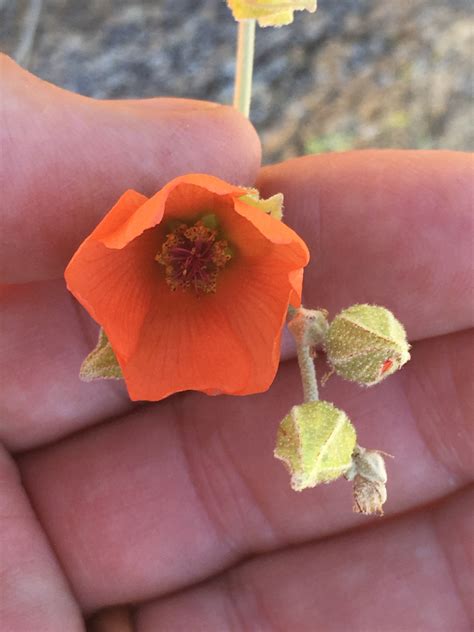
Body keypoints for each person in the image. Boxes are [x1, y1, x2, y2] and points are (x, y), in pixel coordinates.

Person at [1, 54, 472, 631]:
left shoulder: (267, 273)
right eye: (190, 252)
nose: (193, 254)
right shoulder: (155, 247)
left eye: (200, 252)